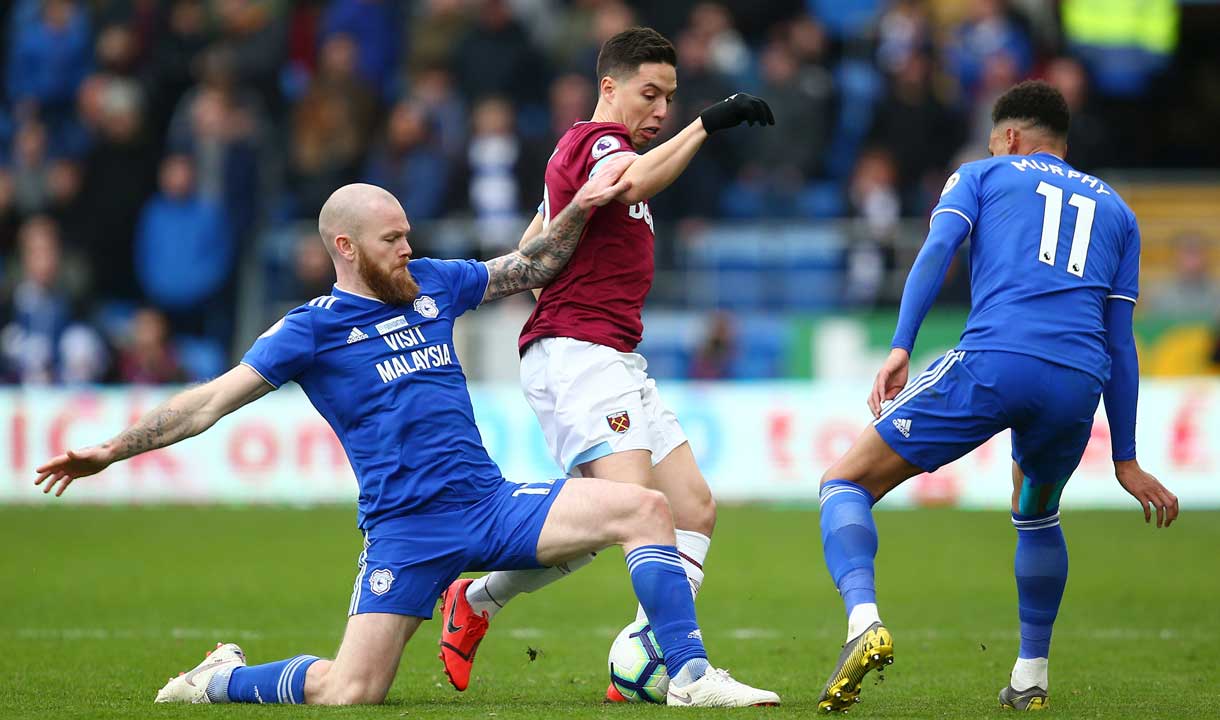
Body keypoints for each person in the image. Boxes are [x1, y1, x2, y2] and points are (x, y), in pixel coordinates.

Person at [33, 158, 780, 708]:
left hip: (488, 504)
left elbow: (535, 264)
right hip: (405, 533)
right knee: (350, 691)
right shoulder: (311, 331)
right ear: (347, 249)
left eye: (407, 234)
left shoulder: (434, 284)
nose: (406, 248)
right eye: (391, 239)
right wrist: (110, 448)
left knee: (644, 508)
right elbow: (206, 403)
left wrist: (579, 201)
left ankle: (685, 675)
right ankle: (221, 677)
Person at [812, 80, 1180, 714]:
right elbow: (1123, 343)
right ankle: (1031, 676)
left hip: (994, 362)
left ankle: (862, 622)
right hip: (1076, 383)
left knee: (843, 483)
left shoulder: (982, 174)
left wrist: (902, 345)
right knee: (1035, 512)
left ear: (1009, 138)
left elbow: (936, 251)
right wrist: (1126, 457)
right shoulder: (1119, 212)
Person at [437, 26, 775, 701]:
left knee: (692, 509)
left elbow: (534, 246)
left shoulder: (590, 157)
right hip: (580, 354)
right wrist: (709, 124)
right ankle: (686, 675)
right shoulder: (600, 145)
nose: (661, 110)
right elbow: (633, 181)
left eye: (673, 99)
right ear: (609, 86)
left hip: (613, 355)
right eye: (650, 94)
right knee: (635, 511)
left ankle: (507, 611)